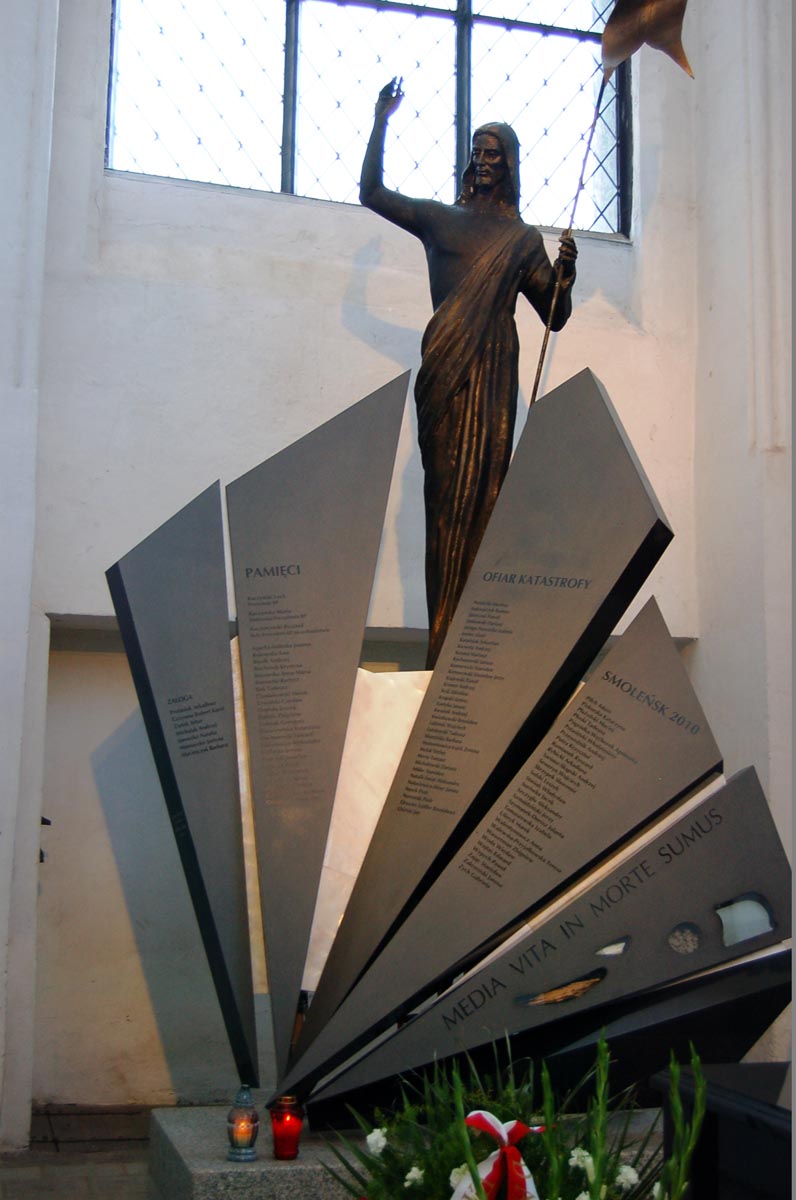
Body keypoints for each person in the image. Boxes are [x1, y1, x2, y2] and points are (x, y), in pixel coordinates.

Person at [361, 79, 577, 669]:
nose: (482, 162)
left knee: (486, 500)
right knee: (443, 500)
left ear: (509, 166)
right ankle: (442, 650)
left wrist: (565, 274)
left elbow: (554, 315)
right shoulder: (440, 220)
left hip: (494, 373)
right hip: (446, 369)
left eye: (493, 155)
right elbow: (372, 192)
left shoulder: (521, 240)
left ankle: (469, 654)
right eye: (477, 152)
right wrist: (381, 119)